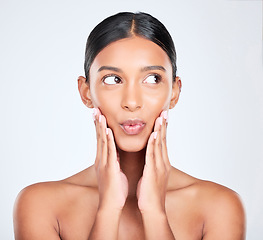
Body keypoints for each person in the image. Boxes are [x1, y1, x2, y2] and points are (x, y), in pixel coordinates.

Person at [13, 12, 245, 239]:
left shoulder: (219, 208)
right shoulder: (40, 206)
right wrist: (108, 210)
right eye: (113, 79)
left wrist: (155, 212)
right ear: (86, 92)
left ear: (174, 92)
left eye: (152, 78)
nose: (132, 102)